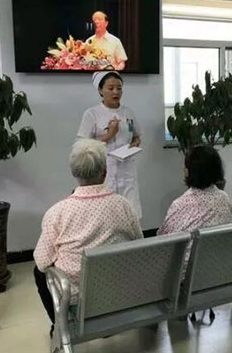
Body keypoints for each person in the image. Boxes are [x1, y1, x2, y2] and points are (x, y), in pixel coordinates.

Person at [33, 139, 143, 331]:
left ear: (74, 172)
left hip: (77, 297)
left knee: (38, 271)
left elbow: (42, 262)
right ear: (105, 172)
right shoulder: (123, 205)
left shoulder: (57, 213)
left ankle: (60, 327)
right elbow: (139, 242)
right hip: (119, 292)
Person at [77, 71, 143, 218]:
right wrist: (108, 136)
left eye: (119, 88)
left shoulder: (128, 113)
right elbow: (82, 146)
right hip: (103, 173)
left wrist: (135, 143)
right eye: (111, 88)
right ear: (100, 90)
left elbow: (136, 136)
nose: (116, 92)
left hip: (127, 172)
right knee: (106, 217)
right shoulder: (92, 114)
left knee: (130, 215)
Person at [158, 145, 232, 259]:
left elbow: (163, 240)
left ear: (187, 171)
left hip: (185, 268)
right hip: (218, 263)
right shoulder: (224, 198)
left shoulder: (179, 205)